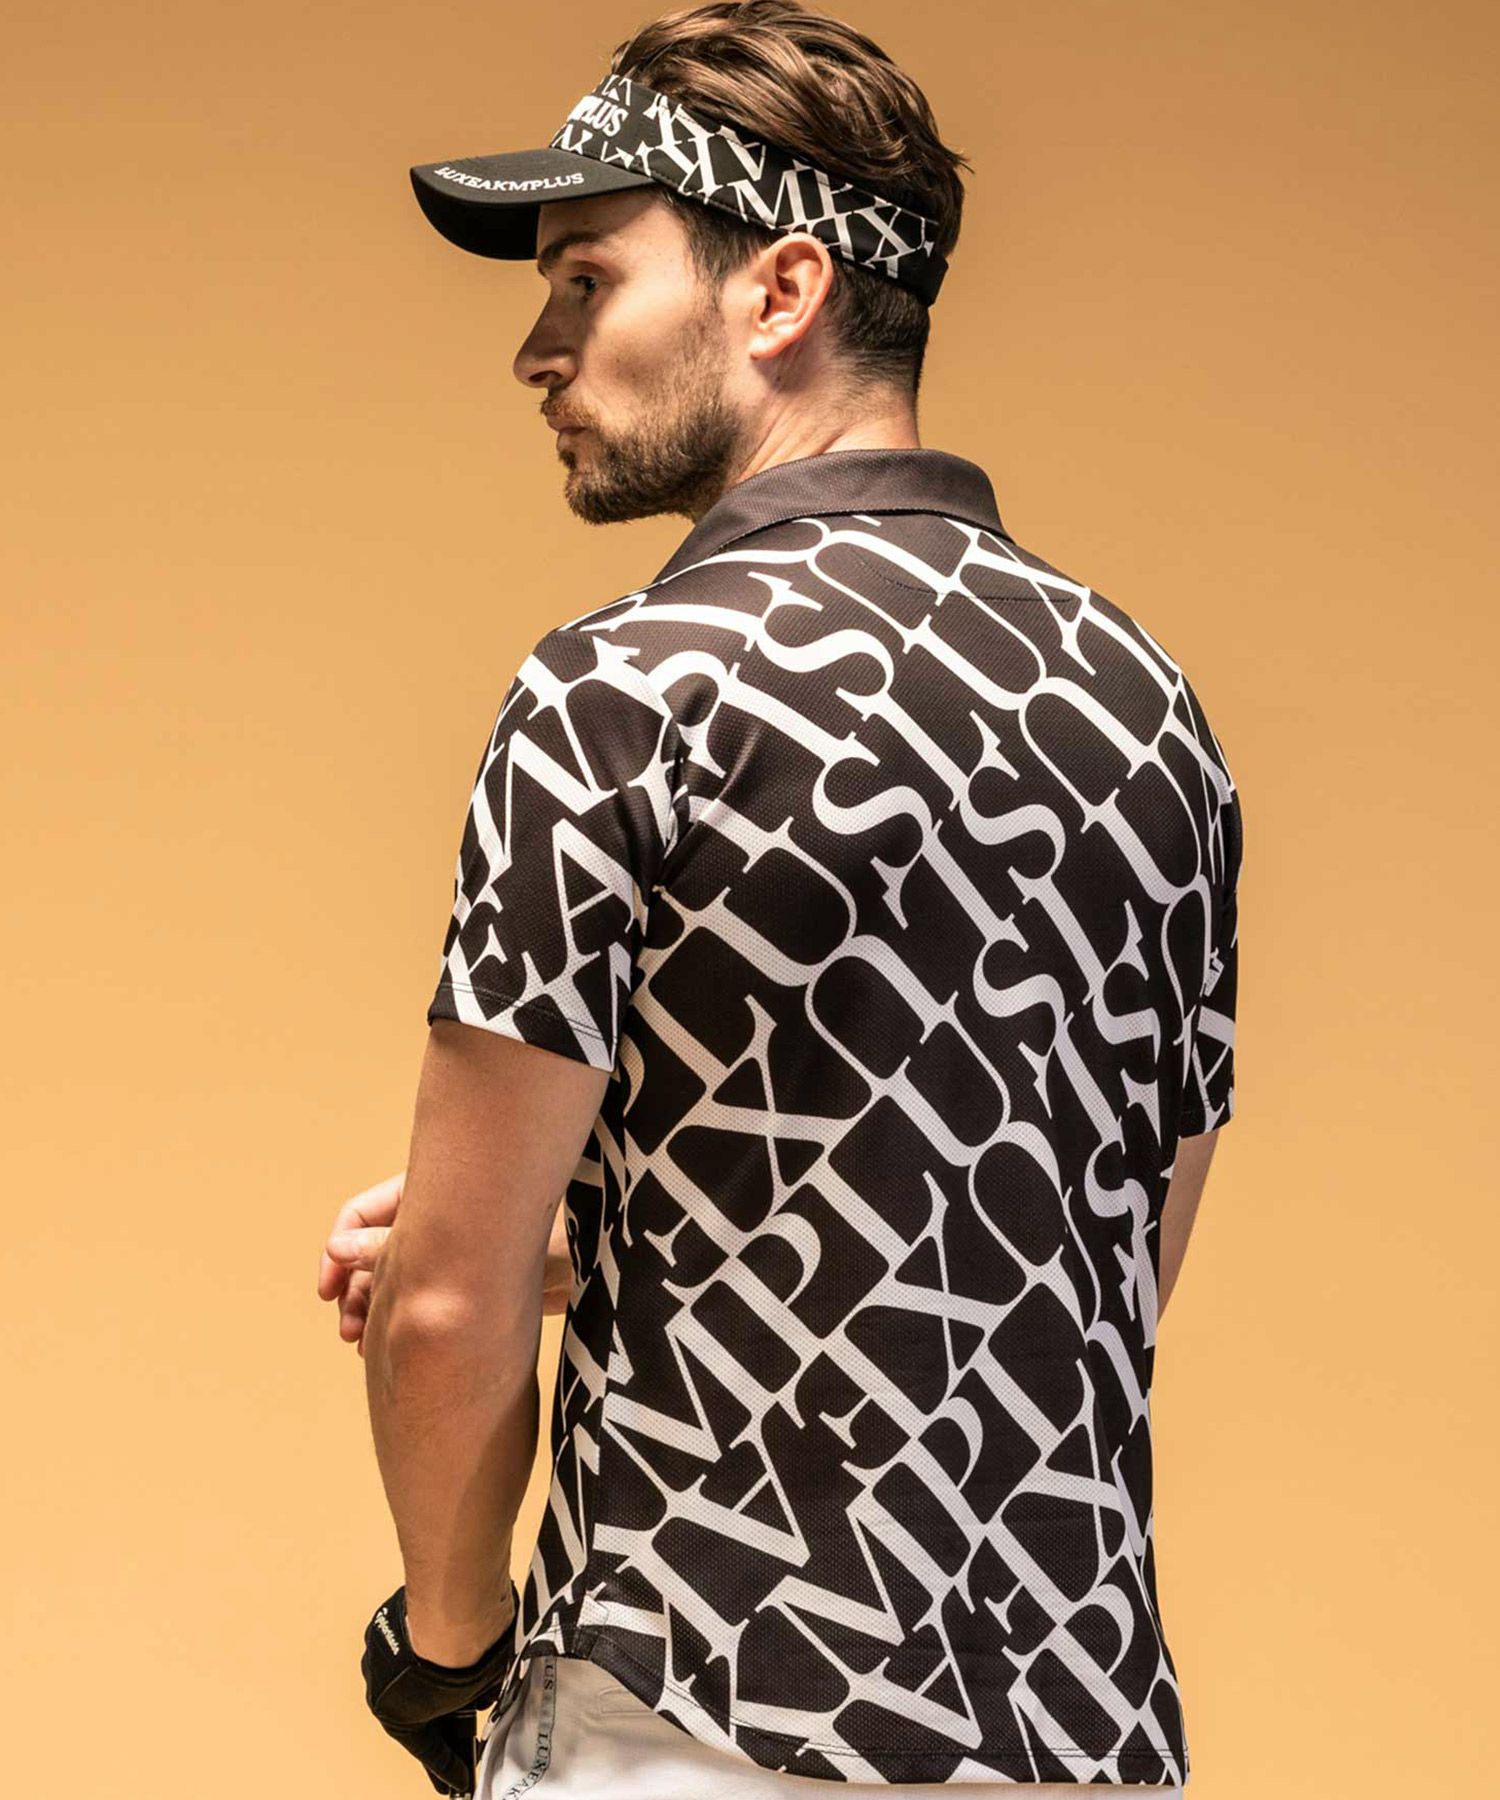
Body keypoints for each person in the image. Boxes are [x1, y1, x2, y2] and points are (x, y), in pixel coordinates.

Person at [316, 3, 1240, 1794]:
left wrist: (446, 1652)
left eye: (588, 280)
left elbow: (443, 1308)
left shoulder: (624, 694)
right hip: (1076, 1733)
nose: (535, 349)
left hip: (691, 1719)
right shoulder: (1148, 713)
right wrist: (634, 1245)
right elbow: (1080, 1268)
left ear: (781, 291)